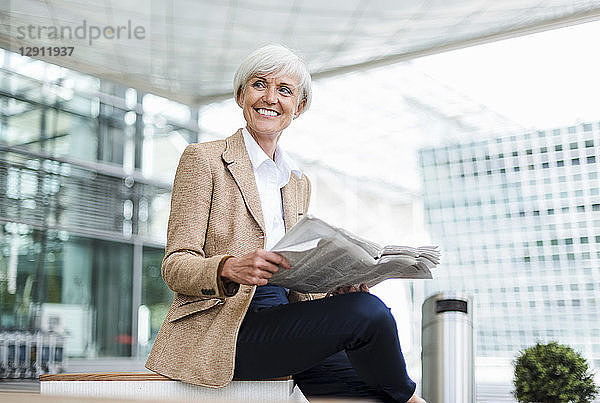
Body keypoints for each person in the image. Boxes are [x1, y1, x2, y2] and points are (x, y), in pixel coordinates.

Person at [146, 44, 425, 403]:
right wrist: (229, 268)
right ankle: (413, 398)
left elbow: (296, 274)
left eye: (284, 90)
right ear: (241, 94)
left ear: (299, 106)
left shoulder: (296, 181)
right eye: (260, 84)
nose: (270, 98)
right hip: (227, 328)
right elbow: (174, 266)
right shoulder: (203, 160)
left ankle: (400, 396)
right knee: (370, 314)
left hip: (286, 320)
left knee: (368, 388)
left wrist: (335, 291)